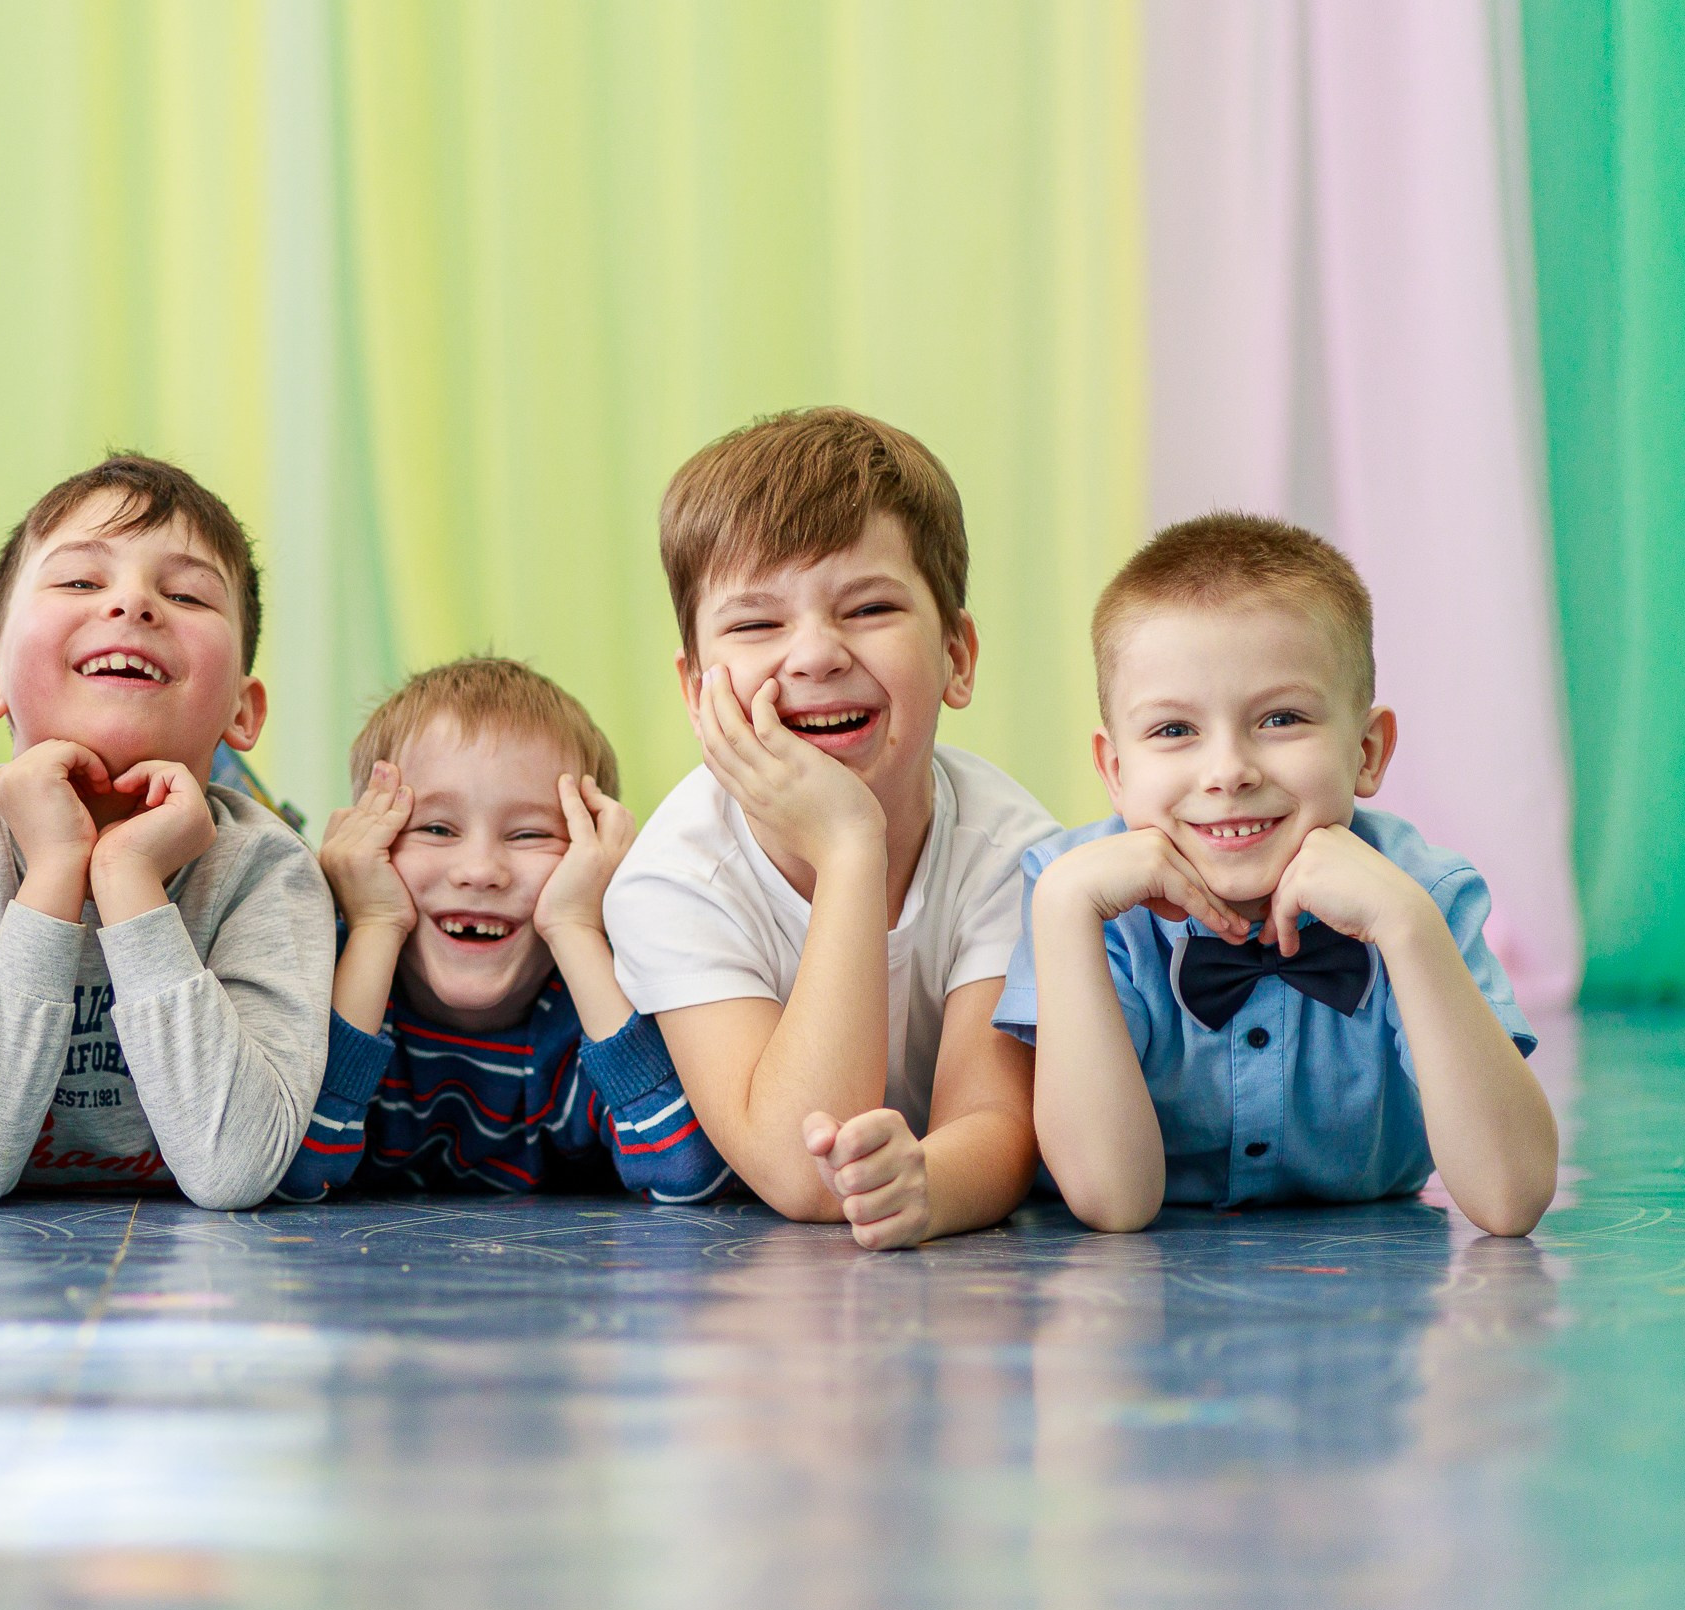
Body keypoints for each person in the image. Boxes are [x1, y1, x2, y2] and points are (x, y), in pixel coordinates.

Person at [994, 513, 1557, 1236]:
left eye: (1282, 718)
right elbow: (1111, 1199)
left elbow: (1511, 1197)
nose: (1228, 770)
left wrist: (1407, 928)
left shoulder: (1425, 895)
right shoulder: (1074, 894)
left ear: (1367, 750)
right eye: (1174, 730)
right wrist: (1065, 908)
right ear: (1115, 769)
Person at [605, 408, 1060, 1247]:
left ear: (958, 656)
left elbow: (996, 1123)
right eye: (755, 623)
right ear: (696, 684)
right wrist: (852, 848)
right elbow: (798, 1170)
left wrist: (930, 1184)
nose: (814, 654)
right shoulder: (671, 877)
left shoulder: (1015, 854)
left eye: (869, 607)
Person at [0, 455, 334, 1209]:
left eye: (185, 592)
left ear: (243, 713)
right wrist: (57, 868)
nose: (133, 604)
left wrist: (127, 876)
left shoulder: (268, 869)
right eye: (81, 581)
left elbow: (234, 1169)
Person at [275, 657, 730, 1203]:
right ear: (369, 842)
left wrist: (575, 927)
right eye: (437, 828)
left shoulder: (594, 1004)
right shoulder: (327, 974)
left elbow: (690, 1172)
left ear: (593, 855)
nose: (481, 871)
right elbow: (286, 1169)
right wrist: (373, 924)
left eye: (530, 834)